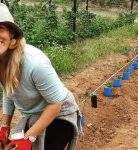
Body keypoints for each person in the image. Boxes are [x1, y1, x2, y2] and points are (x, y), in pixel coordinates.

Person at [0, 3, 82, 150]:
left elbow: (56, 103)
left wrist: (29, 137)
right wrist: (4, 126)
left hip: (59, 114)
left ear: (12, 35)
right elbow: (9, 90)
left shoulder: (34, 63)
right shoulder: (1, 60)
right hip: (35, 114)